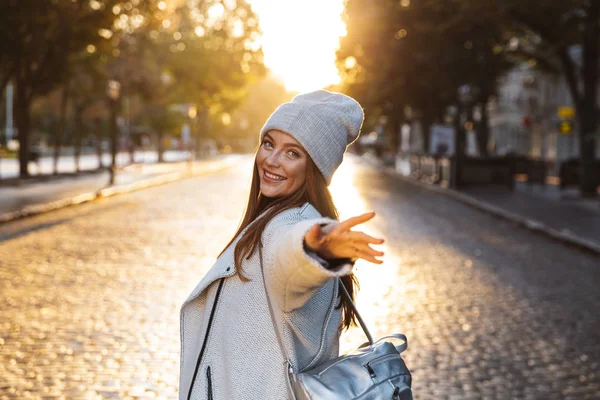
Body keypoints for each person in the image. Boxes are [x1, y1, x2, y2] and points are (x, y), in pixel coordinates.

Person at [179, 90, 385, 400]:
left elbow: (289, 259)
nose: (271, 160)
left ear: (313, 168)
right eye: (269, 144)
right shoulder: (266, 220)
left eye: (293, 153)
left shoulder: (286, 225)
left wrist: (317, 249)